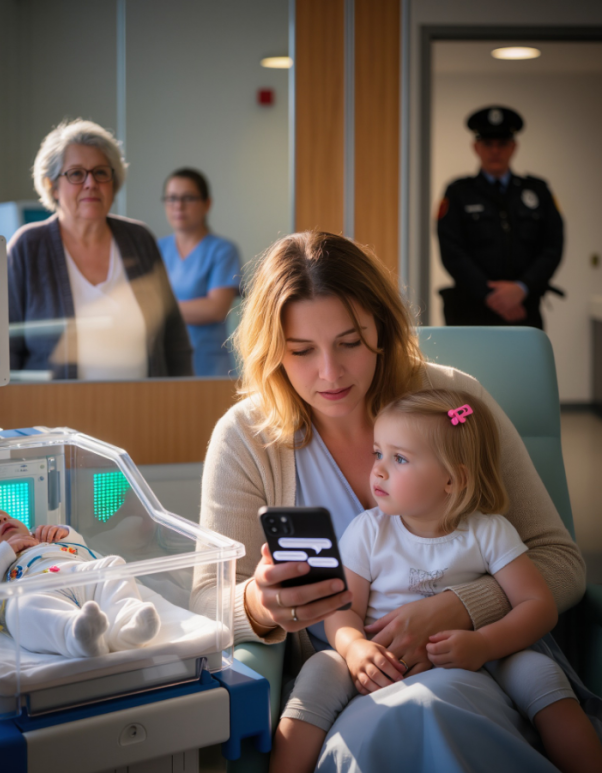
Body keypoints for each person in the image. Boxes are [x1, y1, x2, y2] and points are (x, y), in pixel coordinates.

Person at [191, 231, 587, 772]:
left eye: (350, 342)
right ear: (271, 348)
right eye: (302, 351)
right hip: (353, 687)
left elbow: (561, 562)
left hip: (480, 672)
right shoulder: (246, 437)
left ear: (382, 326)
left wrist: (462, 609)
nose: (330, 373)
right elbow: (205, 601)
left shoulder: (453, 404)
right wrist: (262, 606)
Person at [273, 389, 602, 773]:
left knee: (540, 672)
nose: (378, 469)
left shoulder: (489, 532)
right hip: (380, 660)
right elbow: (344, 610)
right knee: (319, 670)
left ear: (452, 478)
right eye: (378, 453)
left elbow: (538, 606)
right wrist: (354, 648)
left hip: (482, 658)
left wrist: (483, 643)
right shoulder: (367, 531)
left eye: (399, 458)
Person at [8, 118, 193, 379]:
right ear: (52, 186)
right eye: (76, 174)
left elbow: (174, 340)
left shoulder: (139, 239)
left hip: (146, 411)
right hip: (54, 414)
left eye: (101, 172)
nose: (90, 183)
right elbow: (5, 350)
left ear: (113, 183)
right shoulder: (27, 247)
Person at [0, 505, 160, 657]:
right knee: (21, 608)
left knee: (112, 565)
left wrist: (65, 533)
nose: (0, 519)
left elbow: (83, 550)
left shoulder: (39, 538)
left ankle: (126, 626)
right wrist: (5, 550)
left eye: (3, 515)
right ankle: (76, 633)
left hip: (79, 572)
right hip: (35, 588)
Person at [437, 106, 564, 329]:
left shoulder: (538, 191)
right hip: (471, 312)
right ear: (476, 147)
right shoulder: (458, 193)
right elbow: (451, 250)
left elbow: (552, 247)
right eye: (488, 144)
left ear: (513, 147)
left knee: (523, 365)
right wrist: (491, 295)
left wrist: (522, 288)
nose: (495, 151)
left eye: (502, 144)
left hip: (524, 309)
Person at [158, 168, 241, 376]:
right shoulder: (156, 249)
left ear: (207, 204)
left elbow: (216, 308)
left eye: (188, 198)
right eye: (171, 198)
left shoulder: (222, 250)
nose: (178, 205)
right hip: (165, 361)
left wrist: (158, 311)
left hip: (208, 365)